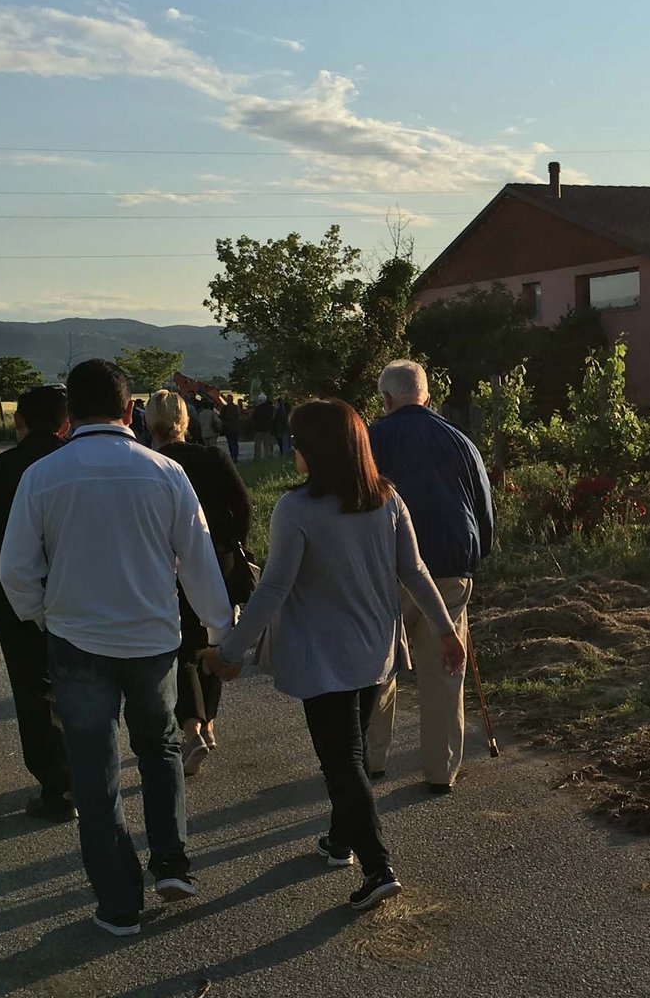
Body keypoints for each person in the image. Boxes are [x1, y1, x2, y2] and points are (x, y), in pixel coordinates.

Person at [0, 360, 233, 937]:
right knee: (159, 749)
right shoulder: (165, 472)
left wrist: (41, 615)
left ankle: (118, 903)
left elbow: (15, 571)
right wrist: (220, 630)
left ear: (70, 416)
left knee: (94, 767)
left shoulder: (44, 477)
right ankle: (172, 860)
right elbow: (198, 558)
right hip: (153, 638)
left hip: (76, 639)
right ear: (129, 411)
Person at [204, 399, 464, 913]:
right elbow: (414, 571)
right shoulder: (386, 499)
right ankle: (340, 841)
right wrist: (447, 630)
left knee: (341, 763)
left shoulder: (296, 509)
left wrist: (228, 651)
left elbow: (275, 587)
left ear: (315, 450)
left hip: (323, 657)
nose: (294, 448)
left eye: (298, 441)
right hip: (375, 651)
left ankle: (377, 866)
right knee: (352, 758)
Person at [365, 360, 495, 794]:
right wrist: (475, 558)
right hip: (449, 567)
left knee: (381, 664)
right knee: (444, 668)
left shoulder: (370, 439)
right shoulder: (460, 441)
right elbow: (483, 509)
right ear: (427, 393)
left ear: (386, 398)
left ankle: (372, 758)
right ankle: (441, 769)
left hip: (385, 570)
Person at [0, 384, 75, 822]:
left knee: (35, 694)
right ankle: (92, 773)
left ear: (19, 421)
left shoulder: (1, 472)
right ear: (66, 423)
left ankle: (56, 787)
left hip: (18, 601)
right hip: (79, 596)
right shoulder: (76, 465)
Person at [145, 389, 253, 777]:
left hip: (166, 562)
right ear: (185, 419)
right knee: (214, 638)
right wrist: (230, 541)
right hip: (218, 558)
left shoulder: (149, 463)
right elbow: (243, 505)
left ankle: (191, 725)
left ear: (147, 421)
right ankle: (209, 722)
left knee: (182, 645)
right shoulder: (212, 457)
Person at [249, 394, 277, 461]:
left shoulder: (257, 408)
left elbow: (253, 417)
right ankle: (268, 456)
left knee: (258, 444)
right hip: (267, 428)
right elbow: (273, 417)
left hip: (259, 428)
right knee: (267, 444)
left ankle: (257, 457)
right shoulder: (271, 407)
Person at [219, 396, 244, 463]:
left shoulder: (225, 408)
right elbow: (239, 415)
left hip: (228, 428)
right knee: (235, 442)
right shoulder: (236, 407)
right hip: (235, 427)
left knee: (231, 442)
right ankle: (235, 456)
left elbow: (221, 417)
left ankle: (233, 456)